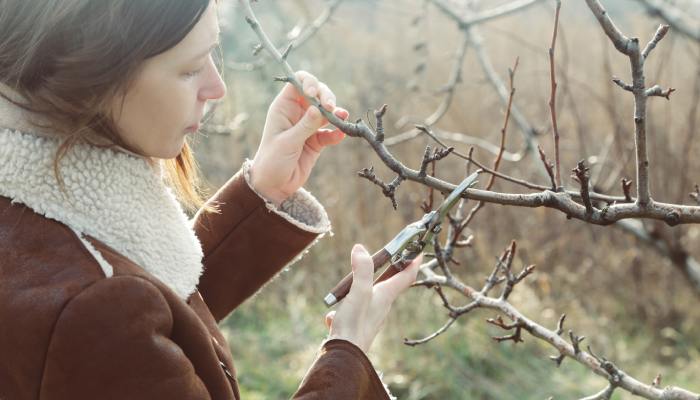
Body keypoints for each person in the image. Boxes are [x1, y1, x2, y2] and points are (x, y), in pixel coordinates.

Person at [0, 1, 423, 399]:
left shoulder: (37, 217)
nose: (216, 88)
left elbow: (155, 327)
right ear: (94, 75)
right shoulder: (93, 311)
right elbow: (118, 321)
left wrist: (264, 190)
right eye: (188, 69)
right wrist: (348, 355)